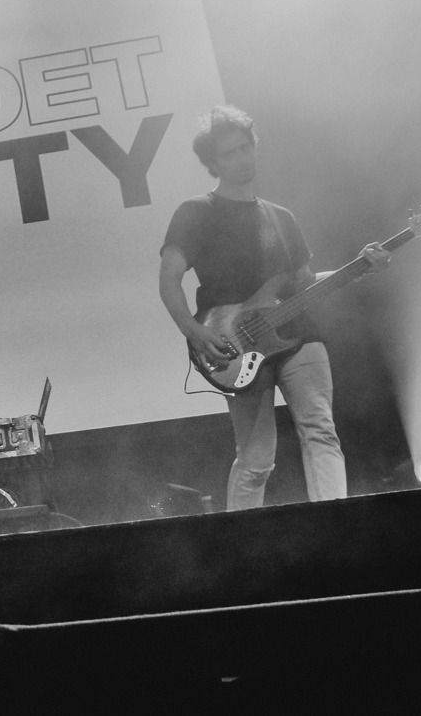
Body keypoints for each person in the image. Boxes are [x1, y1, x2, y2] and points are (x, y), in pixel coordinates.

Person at [158, 106, 388, 511]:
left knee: (320, 431)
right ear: (213, 163)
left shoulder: (280, 217)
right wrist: (194, 331)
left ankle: (337, 523)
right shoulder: (196, 212)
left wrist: (358, 268)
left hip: (299, 335)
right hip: (235, 340)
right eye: (230, 153)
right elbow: (169, 279)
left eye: (246, 148)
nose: (242, 158)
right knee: (256, 459)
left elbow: (303, 283)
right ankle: (243, 539)